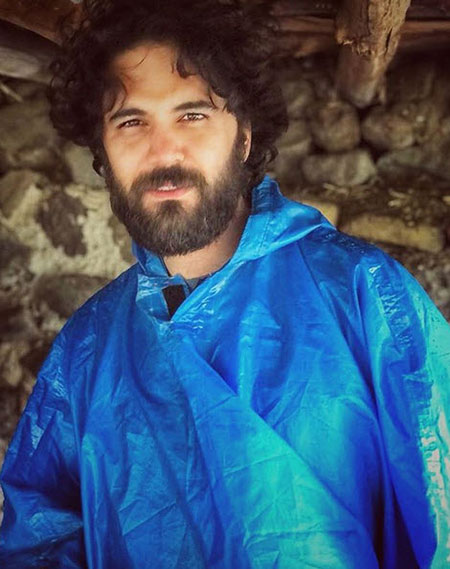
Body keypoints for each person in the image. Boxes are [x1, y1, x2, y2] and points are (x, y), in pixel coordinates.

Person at [0, 0, 449, 567]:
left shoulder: (363, 293)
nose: (164, 151)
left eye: (192, 115)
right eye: (132, 122)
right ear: (102, 152)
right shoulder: (86, 350)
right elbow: (38, 538)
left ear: (244, 137)